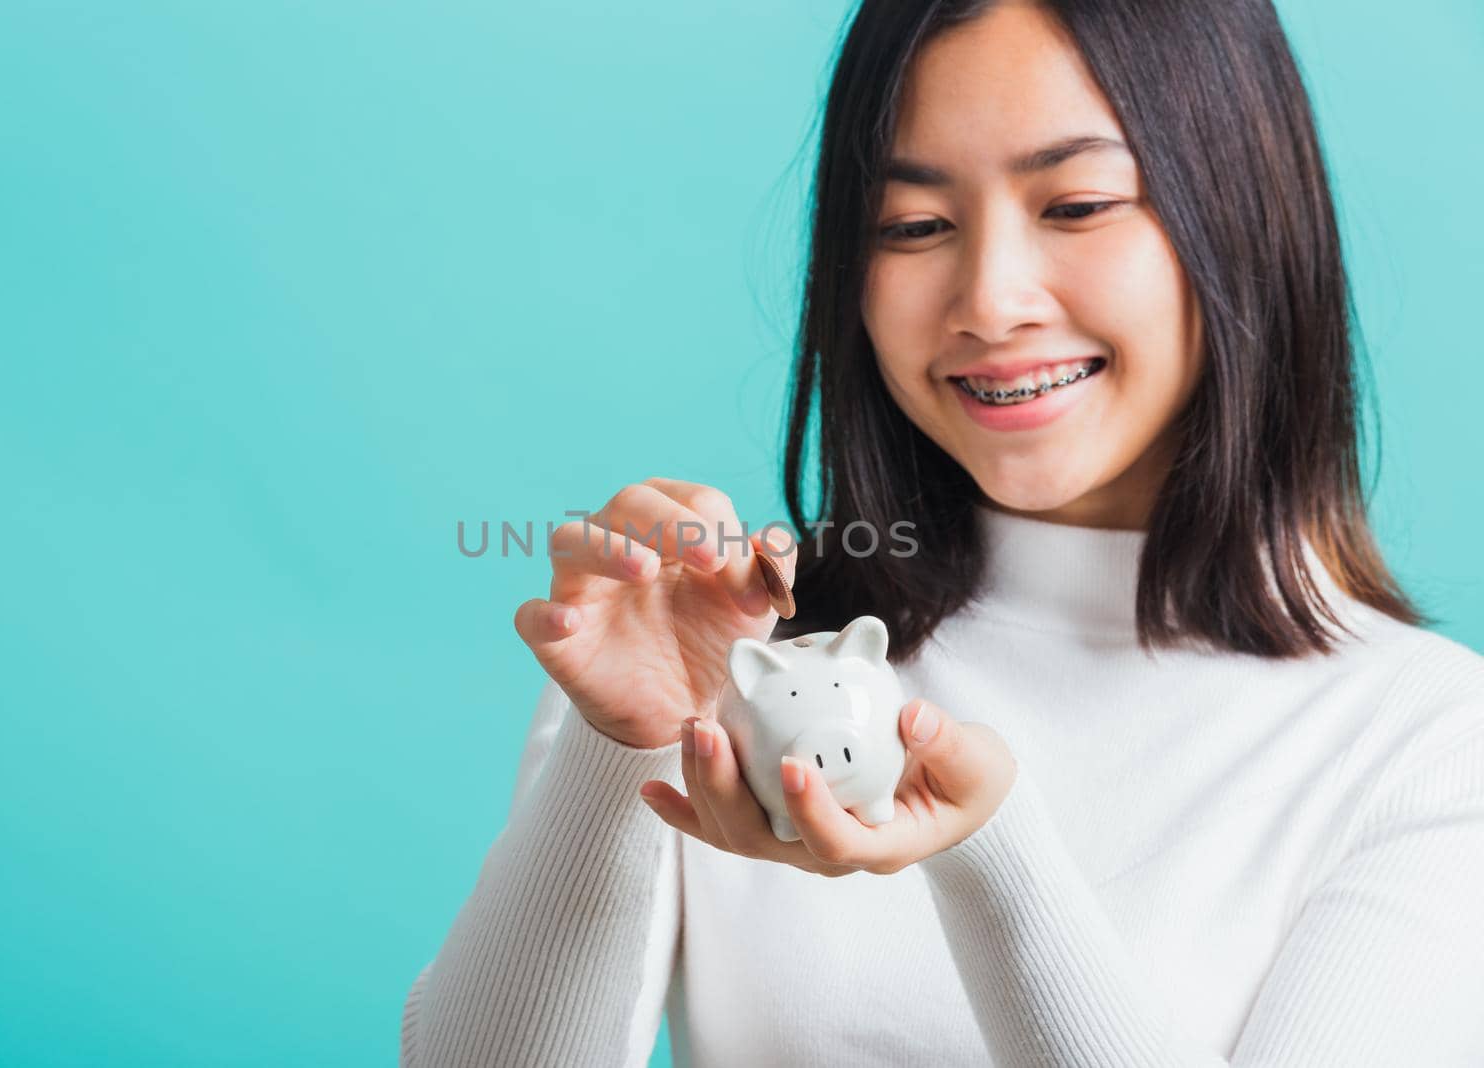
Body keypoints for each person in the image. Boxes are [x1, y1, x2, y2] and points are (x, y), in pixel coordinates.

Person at [400, 0, 1484, 1063]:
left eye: (1077, 204)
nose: (989, 301)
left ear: (1245, 218)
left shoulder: (1426, 743)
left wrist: (990, 852)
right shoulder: (723, 653)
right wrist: (617, 742)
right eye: (913, 226)